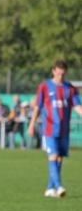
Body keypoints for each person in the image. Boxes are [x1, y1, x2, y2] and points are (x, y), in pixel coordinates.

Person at [28, 60, 82, 198]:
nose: (60, 76)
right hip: (50, 128)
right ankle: (58, 187)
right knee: (53, 155)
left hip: (64, 129)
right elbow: (38, 107)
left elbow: (76, 106)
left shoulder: (69, 88)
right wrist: (31, 124)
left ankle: (49, 188)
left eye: (62, 74)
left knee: (60, 158)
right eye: (58, 74)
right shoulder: (45, 86)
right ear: (53, 71)